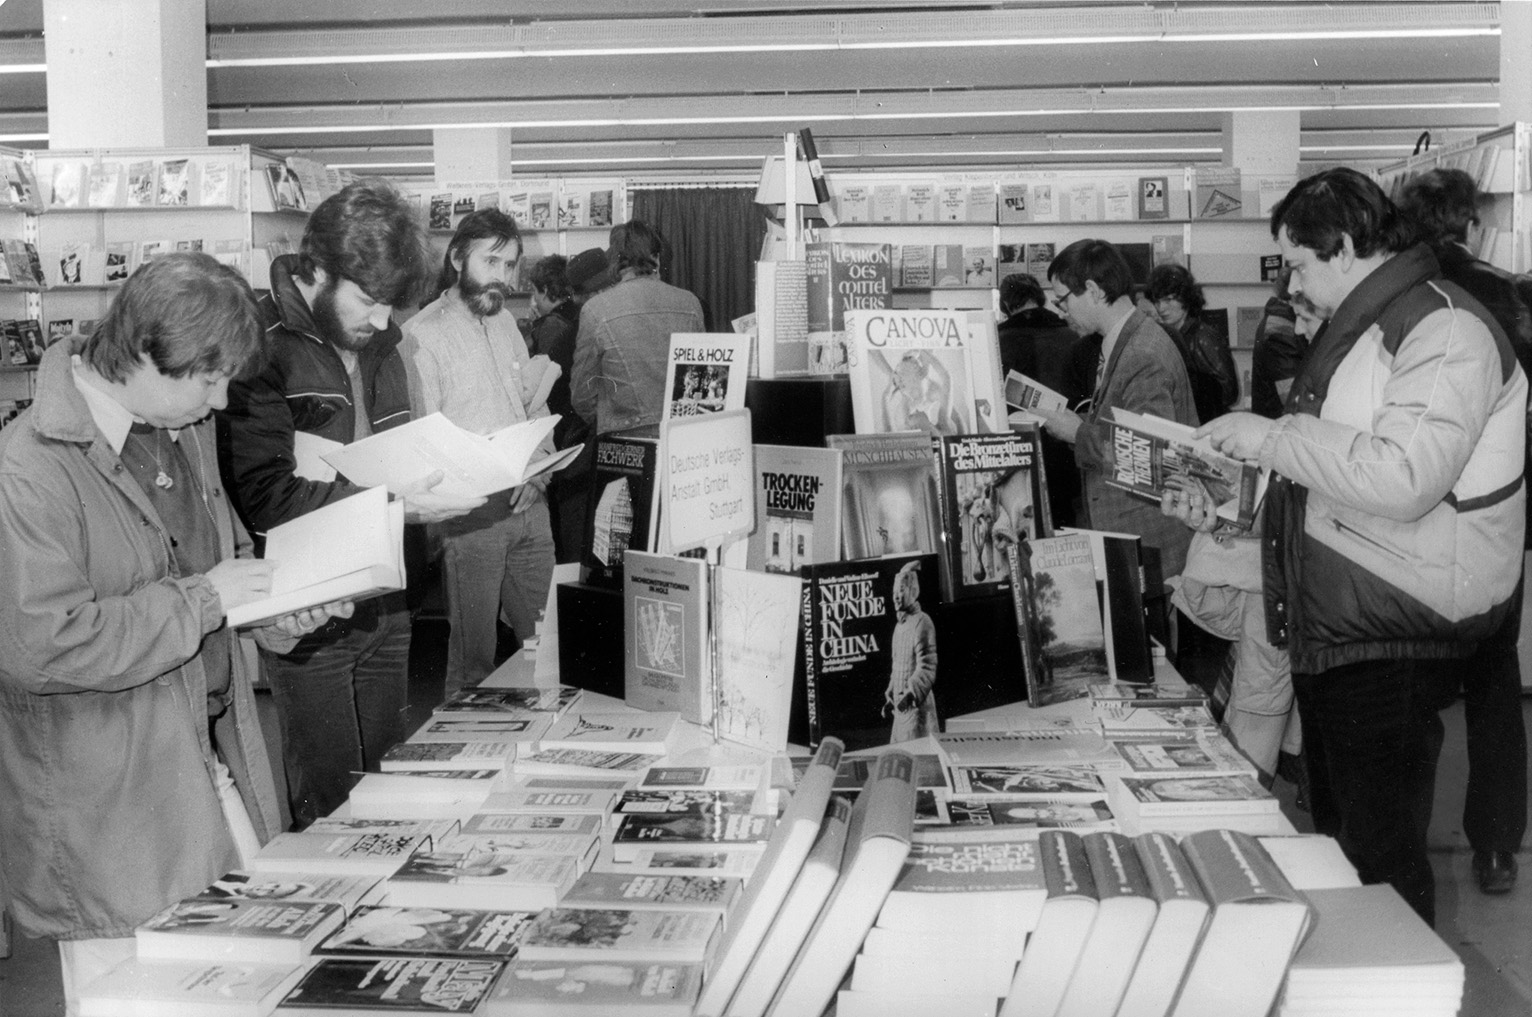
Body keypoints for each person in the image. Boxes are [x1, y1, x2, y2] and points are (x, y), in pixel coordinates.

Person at [0, 253, 347, 1011]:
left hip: (204, 768)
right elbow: (40, 644)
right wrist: (204, 600)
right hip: (110, 811)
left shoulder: (178, 432)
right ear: (145, 353)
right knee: (143, 999)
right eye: (209, 378)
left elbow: (216, 575)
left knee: (249, 984)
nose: (222, 401)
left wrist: (277, 612)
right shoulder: (28, 468)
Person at [1184, 167, 1526, 925]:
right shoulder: (1371, 328)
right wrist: (1232, 509)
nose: (1294, 284)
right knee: (1350, 849)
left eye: (1299, 263)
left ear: (1342, 248)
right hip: (1344, 626)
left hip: (1393, 632)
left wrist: (1273, 437)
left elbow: (1403, 475)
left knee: (1384, 863)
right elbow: (1332, 472)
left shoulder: (1443, 329)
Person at [219, 180, 483, 830]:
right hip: (311, 615)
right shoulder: (260, 346)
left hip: (388, 602)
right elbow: (266, 495)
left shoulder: (384, 343)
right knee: (332, 810)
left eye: (393, 304)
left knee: (390, 797)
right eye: (369, 300)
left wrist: (443, 481)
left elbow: (395, 446)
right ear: (315, 271)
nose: (383, 319)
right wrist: (393, 497)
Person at [1400, 166, 1532, 895]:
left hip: (1416, 518)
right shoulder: (1503, 295)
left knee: (1412, 689)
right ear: (1472, 222)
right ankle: (1495, 845)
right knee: (1493, 685)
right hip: (1493, 521)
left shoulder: (1403, 297)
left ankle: (1405, 843)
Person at [401, 209, 558, 696]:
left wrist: (540, 473)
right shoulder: (422, 337)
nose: (503, 277)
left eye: (510, 265)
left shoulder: (507, 322)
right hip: (472, 519)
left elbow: (532, 405)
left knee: (550, 647)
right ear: (456, 258)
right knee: (473, 666)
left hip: (530, 505)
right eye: (491, 261)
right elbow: (423, 440)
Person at [1036, 239, 1198, 580]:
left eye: (1062, 300)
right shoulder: (1128, 340)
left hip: (1147, 540)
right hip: (1133, 532)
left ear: (1093, 290)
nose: (1061, 312)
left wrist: (1075, 432)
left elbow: (1148, 457)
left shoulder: (1142, 353)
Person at [570, 219, 705, 438]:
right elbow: (701, 382)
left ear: (615, 261)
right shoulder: (690, 304)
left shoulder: (595, 310)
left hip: (624, 438)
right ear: (657, 258)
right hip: (682, 435)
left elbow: (582, 395)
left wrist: (608, 419)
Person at [997, 273, 1085, 526]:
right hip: (1066, 445)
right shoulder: (1070, 336)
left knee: (1020, 522)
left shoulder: (997, 341)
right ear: (1040, 298)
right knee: (1066, 523)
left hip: (1017, 450)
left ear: (1005, 305)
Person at [525, 253, 593, 563]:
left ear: (544, 291)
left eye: (534, 291)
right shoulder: (579, 315)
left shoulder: (551, 325)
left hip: (563, 434)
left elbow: (541, 390)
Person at [1145, 263, 1240, 423]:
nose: (1161, 308)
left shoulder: (1203, 336)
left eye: (1168, 300)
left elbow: (1229, 392)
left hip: (1207, 426)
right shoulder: (1171, 335)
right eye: (1157, 301)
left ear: (1186, 299)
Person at [884, 561, 939, 743]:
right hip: (900, 708)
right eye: (894, 593)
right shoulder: (898, 627)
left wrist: (910, 694)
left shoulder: (923, 622)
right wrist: (892, 689)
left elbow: (927, 666)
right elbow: (897, 664)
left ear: (913, 591)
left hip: (917, 707)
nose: (896, 597)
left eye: (901, 591)